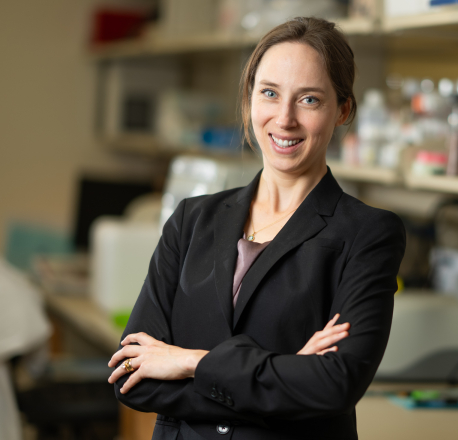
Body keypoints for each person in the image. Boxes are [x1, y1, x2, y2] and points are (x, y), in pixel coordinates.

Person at [107, 17, 406, 440]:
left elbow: (334, 385)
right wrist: (284, 373)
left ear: (343, 109)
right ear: (249, 101)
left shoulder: (368, 233)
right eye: (269, 93)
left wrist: (189, 362)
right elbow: (130, 373)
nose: (284, 119)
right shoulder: (192, 220)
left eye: (309, 100)